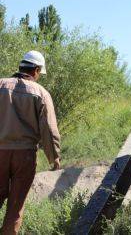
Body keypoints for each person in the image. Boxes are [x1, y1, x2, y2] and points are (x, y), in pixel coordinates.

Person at [0, 51, 61, 235]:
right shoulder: (40, 93)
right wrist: (54, 157)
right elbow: (49, 130)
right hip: (24, 156)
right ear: (35, 70)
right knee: (15, 207)